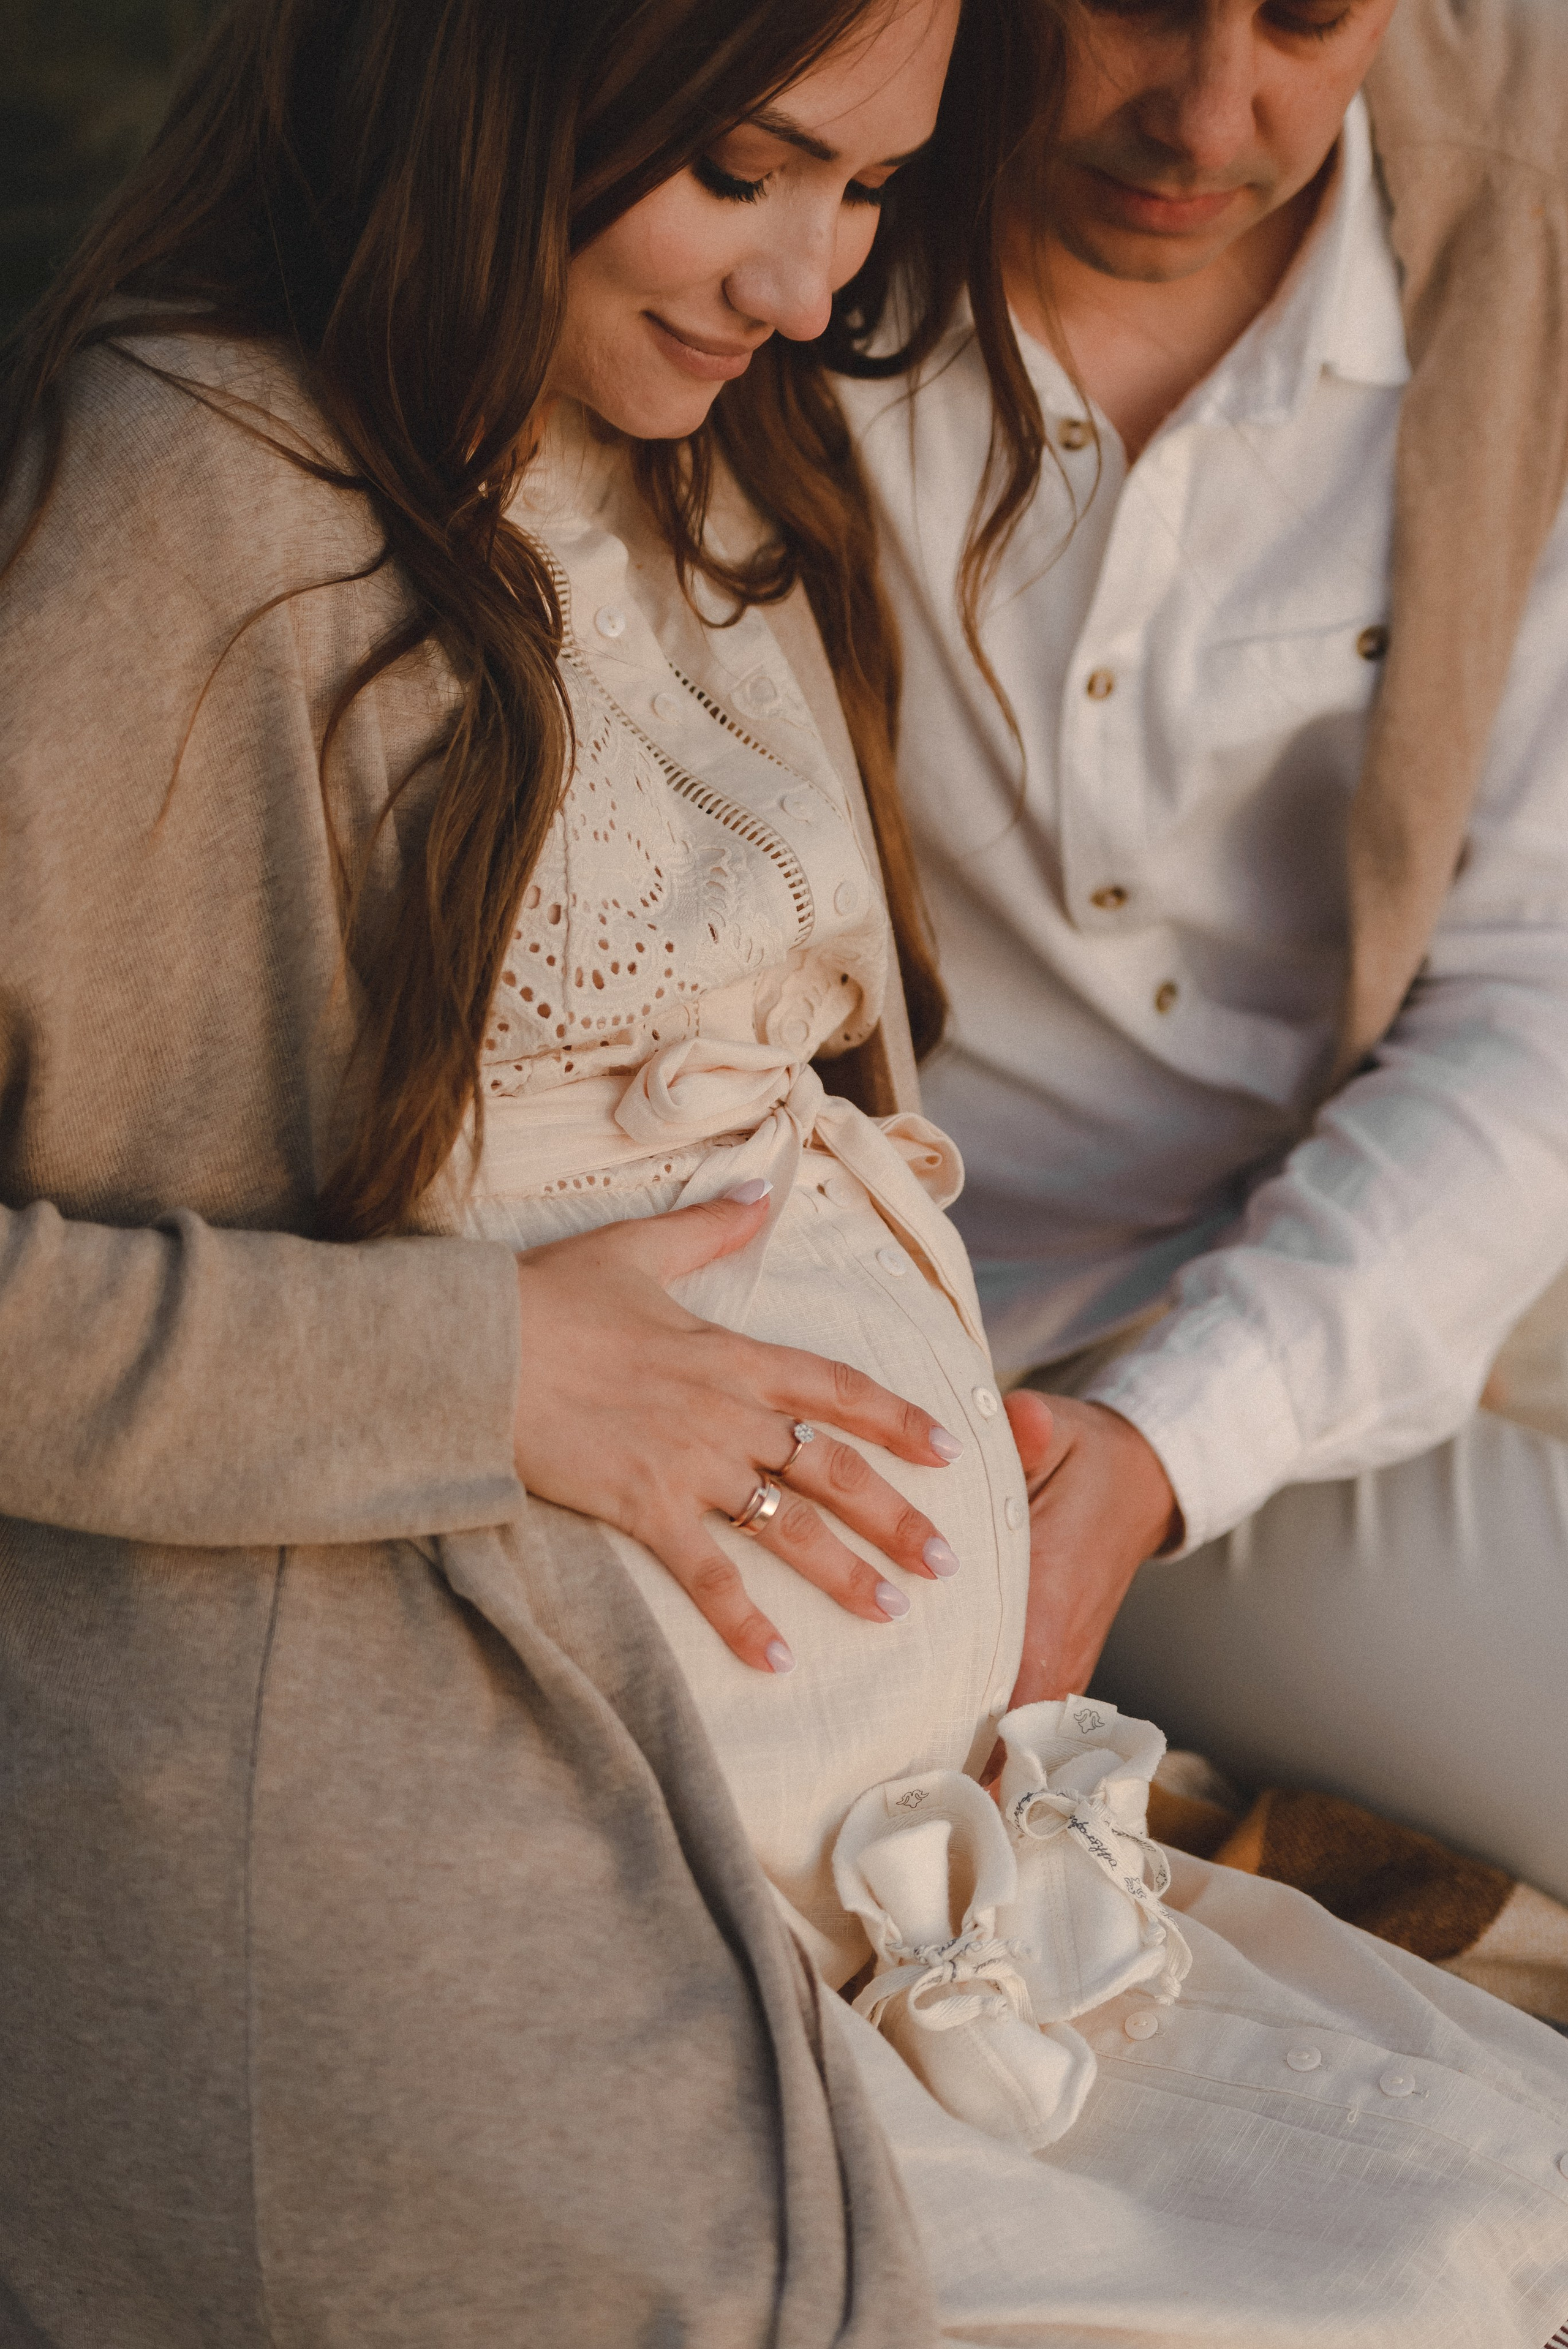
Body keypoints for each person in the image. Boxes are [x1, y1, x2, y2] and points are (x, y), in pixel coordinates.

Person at [2, 2, 1566, 2346]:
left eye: (865, 192)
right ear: (494, 85)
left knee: (1497, 2216)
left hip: (946, 1785)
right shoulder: (192, 495)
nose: (814, 282)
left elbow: (1532, 992)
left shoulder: (700, 448)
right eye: (744, 172)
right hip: (550, 1831)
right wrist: (486, 1368)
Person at [834, 0, 1568, 1906]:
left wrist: (1182, 1432)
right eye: (1142, 0)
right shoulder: (775, 174)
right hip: (920, 1334)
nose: (1208, 114)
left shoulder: (1532, 219)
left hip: (1340, 1261)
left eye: (1308, 15)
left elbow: (1536, 986)